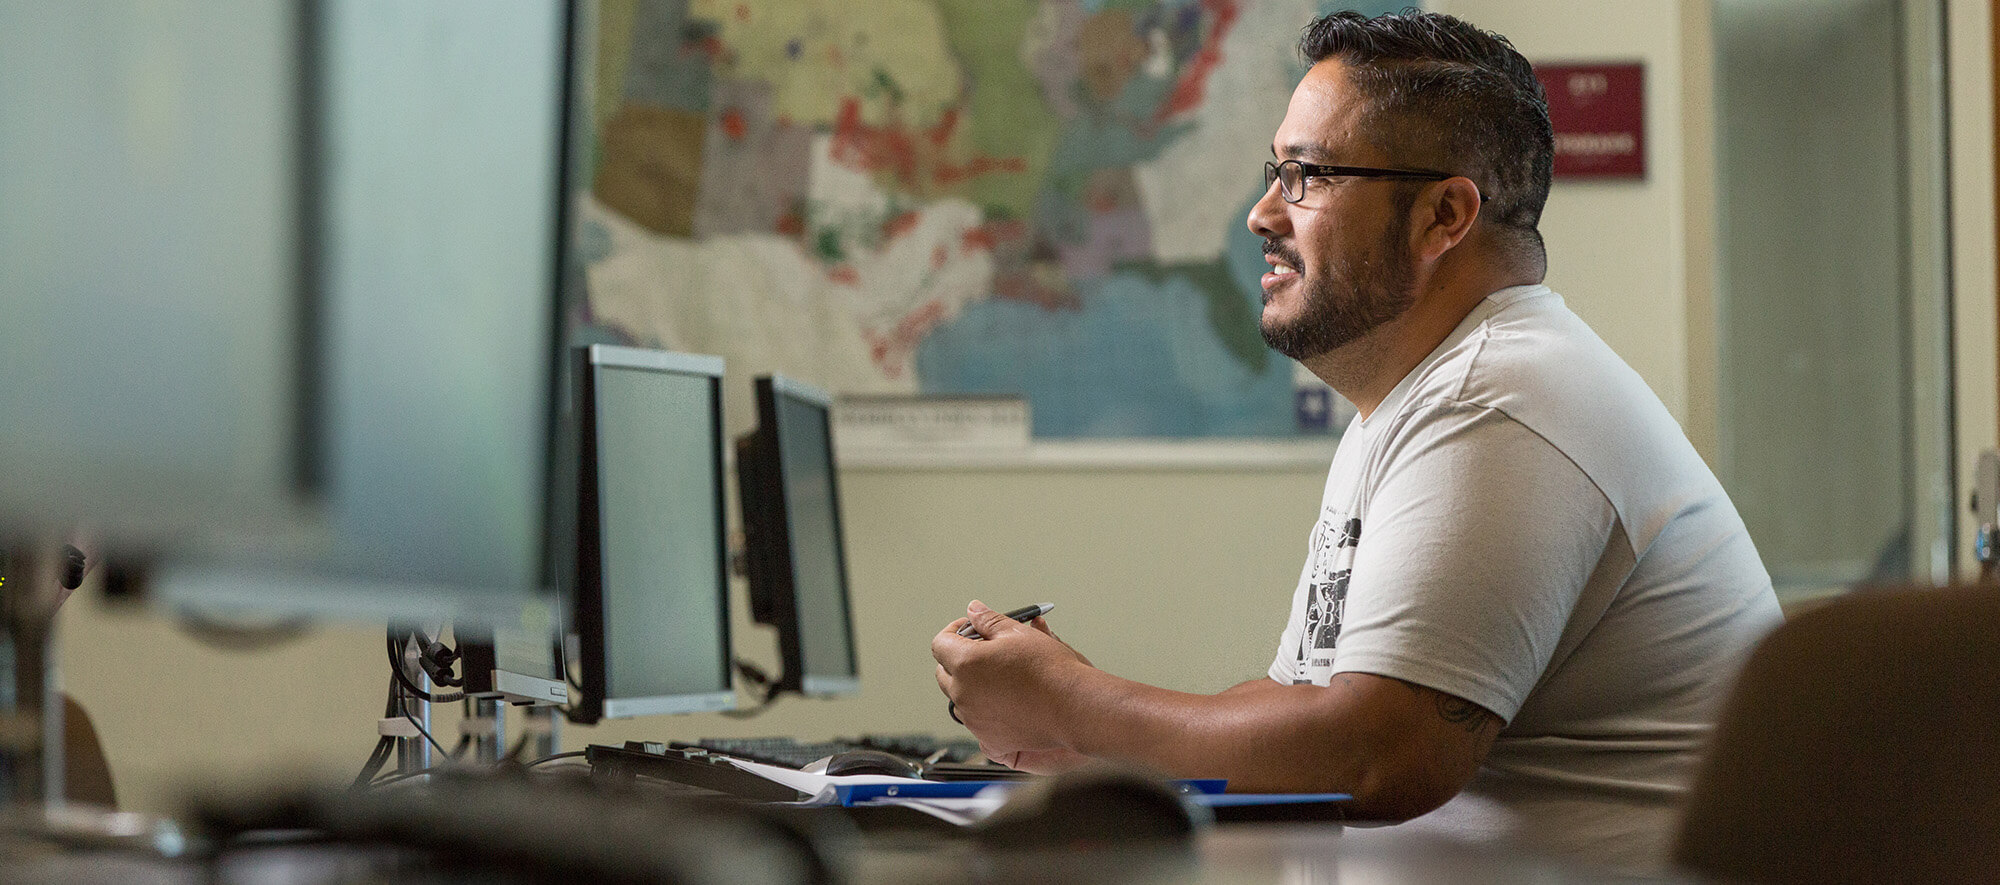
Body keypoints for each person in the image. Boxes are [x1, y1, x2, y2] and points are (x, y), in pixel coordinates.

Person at [932, 10, 1781, 875]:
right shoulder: (1425, 395)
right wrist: (1089, 739)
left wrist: (1076, 703)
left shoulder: (1502, 397)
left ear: (1443, 214)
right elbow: (1306, 704)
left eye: (1306, 176)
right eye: (1277, 173)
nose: (1263, 212)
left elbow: (1380, 754)